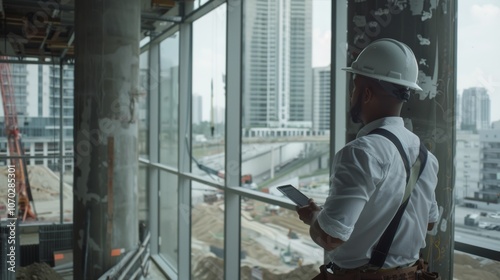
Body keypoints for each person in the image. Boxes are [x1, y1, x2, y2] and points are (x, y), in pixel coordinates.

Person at [297, 38, 439, 278]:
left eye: (355, 87)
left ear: (367, 94)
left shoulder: (361, 152)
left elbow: (331, 237)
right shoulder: (425, 156)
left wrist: (313, 216)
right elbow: (429, 223)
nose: (352, 94)